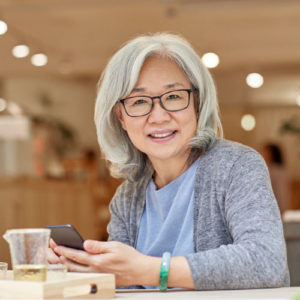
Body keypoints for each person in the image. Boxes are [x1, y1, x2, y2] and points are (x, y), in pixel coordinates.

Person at [48, 32, 289, 290]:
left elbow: (267, 262)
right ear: (121, 117)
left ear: (196, 102)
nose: (159, 116)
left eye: (173, 97)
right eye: (139, 101)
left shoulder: (237, 166)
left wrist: (153, 270)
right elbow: (123, 287)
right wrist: (82, 269)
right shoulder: (127, 197)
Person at [261, 143, 290, 214]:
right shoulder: (269, 169)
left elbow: (281, 193)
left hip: (275, 208)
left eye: (265, 152)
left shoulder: (276, 171)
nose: (262, 154)